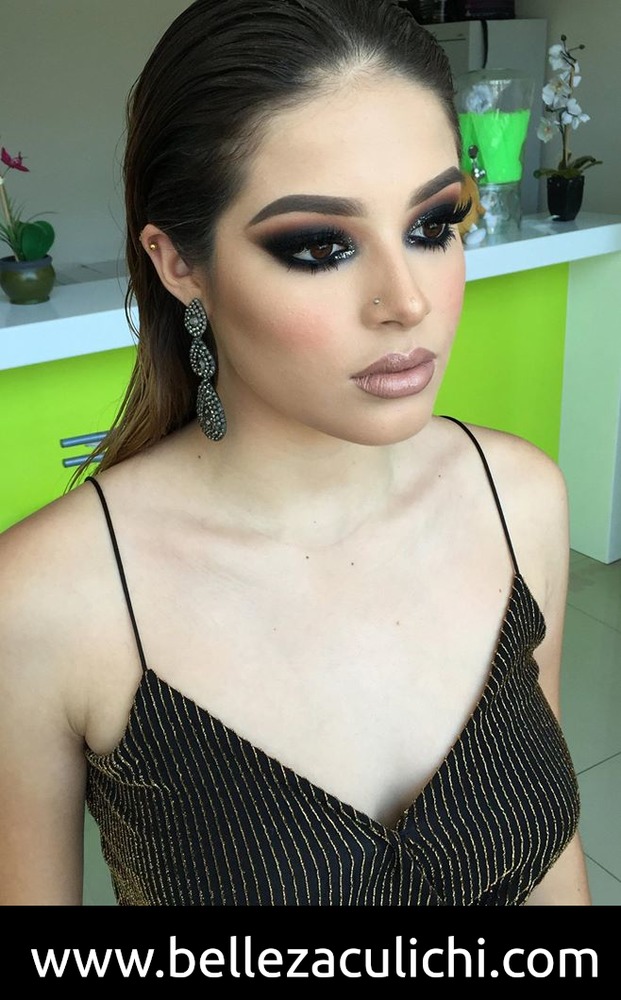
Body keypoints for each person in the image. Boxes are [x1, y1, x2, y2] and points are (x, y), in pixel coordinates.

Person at [0, 0, 590, 906]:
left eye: (433, 226)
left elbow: (550, 863)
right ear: (178, 264)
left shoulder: (520, 499)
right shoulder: (46, 601)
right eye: (319, 246)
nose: (406, 302)